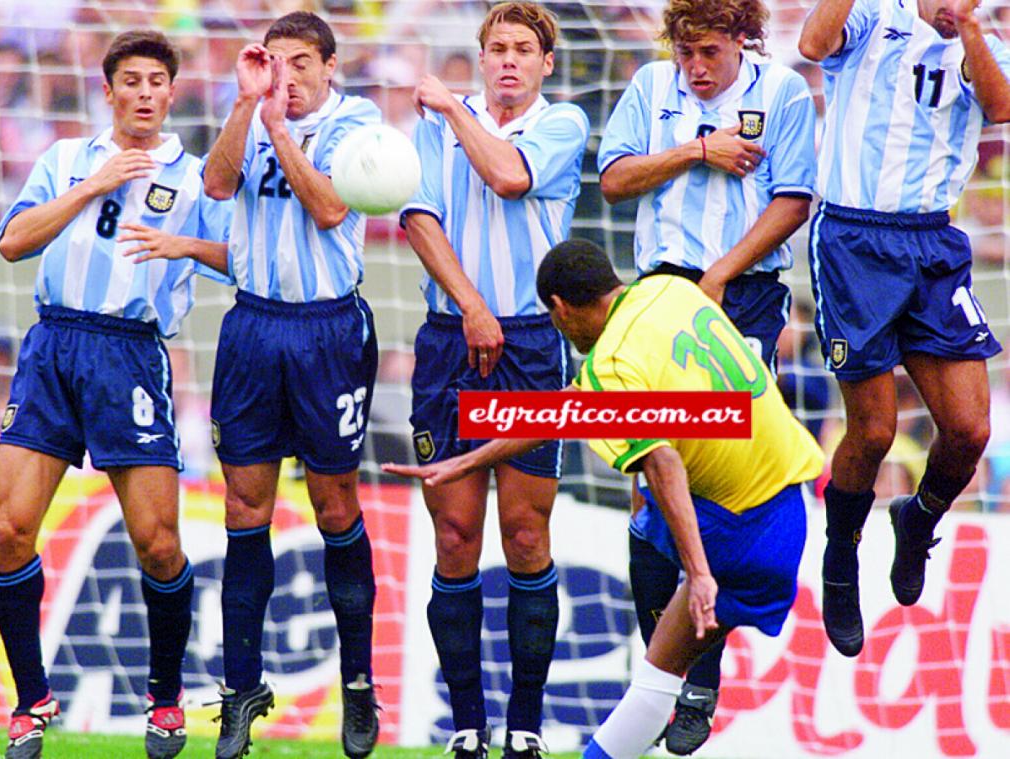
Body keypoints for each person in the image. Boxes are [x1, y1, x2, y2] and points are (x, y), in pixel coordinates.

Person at [384, 238, 825, 759]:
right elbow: (569, 409)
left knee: (656, 675)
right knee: (647, 538)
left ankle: (693, 681)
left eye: (557, 323)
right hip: (790, 499)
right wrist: (467, 460)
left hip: (737, 531)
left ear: (560, 308)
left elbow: (662, 463)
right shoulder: (667, 291)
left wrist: (700, 572)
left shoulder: (610, 367)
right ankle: (690, 672)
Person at [0, 29, 232, 759]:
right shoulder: (67, 158)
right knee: (8, 529)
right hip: (54, 347)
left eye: (158, 81)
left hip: (130, 356)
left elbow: (242, 259)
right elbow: (11, 240)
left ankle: (163, 700)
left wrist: (185, 246)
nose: (145, 94)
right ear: (109, 90)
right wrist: (92, 186)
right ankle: (31, 701)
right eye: (131, 81)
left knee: (158, 543)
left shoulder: (195, 178)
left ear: (172, 90)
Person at [596, 0, 816, 750]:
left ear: (742, 43)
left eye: (710, 53)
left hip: (741, 292)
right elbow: (616, 182)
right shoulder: (649, 89)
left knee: (715, 476)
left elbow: (794, 199)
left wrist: (721, 274)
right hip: (659, 289)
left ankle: (700, 677)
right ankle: (658, 670)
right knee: (649, 478)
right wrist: (697, 150)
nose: (695, 67)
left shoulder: (781, 91)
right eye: (685, 52)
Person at [398, 3, 589, 757]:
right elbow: (418, 219)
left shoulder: (562, 123)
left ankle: (527, 725)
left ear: (545, 64)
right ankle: (469, 727)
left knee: (525, 533)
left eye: (522, 50)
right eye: (496, 48)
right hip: (453, 339)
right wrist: (472, 306)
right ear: (481, 58)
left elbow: (509, 177)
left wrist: (449, 107)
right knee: (453, 536)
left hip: (532, 345)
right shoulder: (431, 128)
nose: (508, 60)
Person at [798, 0, 1010, 657]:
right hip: (854, 238)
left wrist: (969, 28)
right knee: (874, 429)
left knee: (971, 428)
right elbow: (812, 42)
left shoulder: (985, 41)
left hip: (931, 242)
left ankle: (916, 520)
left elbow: (1001, 107)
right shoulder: (872, 15)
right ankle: (840, 560)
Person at [200, 12, 381, 759]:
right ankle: (241, 689)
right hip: (251, 328)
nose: (289, 75)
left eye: (302, 62)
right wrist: (247, 106)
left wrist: (276, 126)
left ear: (331, 66)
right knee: (245, 505)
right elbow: (215, 186)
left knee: (335, 501)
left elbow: (332, 206)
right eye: (275, 62)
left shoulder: (357, 122)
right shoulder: (250, 108)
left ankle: (359, 684)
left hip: (327, 332)